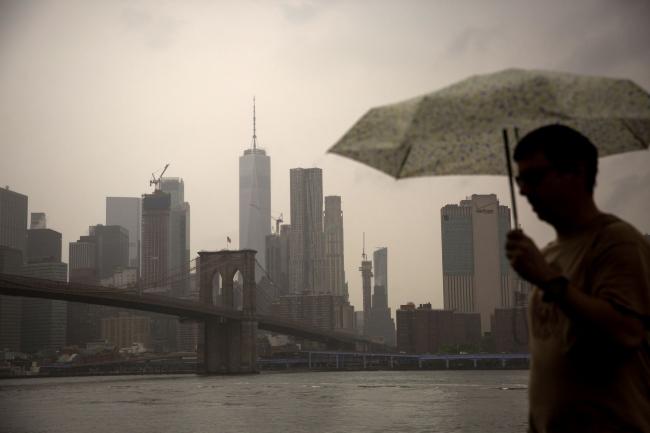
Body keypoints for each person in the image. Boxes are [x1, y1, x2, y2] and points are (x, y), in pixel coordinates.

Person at [505, 124, 650, 433]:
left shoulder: (616, 242)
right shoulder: (549, 254)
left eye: (534, 177)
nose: (523, 190)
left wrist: (547, 279)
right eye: (520, 179)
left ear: (577, 172)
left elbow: (626, 330)